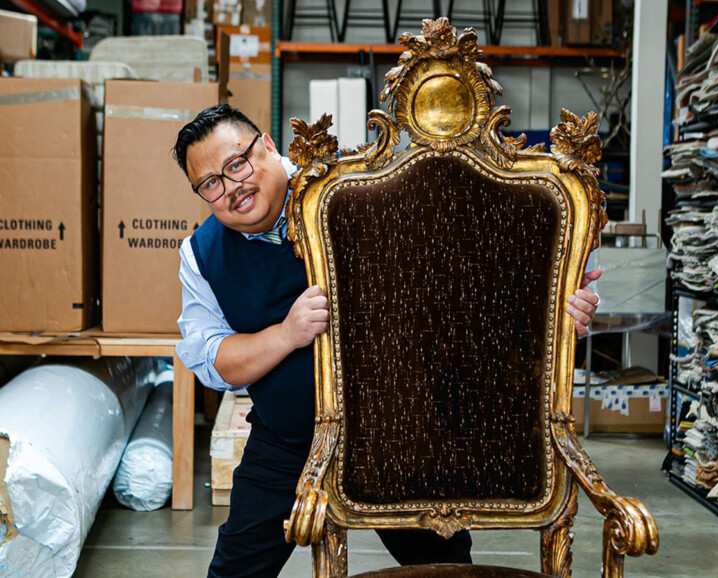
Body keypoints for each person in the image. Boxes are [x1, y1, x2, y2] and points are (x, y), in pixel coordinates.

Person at [172, 105, 601, 578]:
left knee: (446, 572)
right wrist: (286, 334)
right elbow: (214, 359)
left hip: (400, 435)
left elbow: (476, 277)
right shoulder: (201, 254)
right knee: (233, 573)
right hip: (288, 440)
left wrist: (557, 308)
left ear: (269, 147)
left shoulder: (359, 192)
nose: (232, 186)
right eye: (210, 183)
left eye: (238, 164)